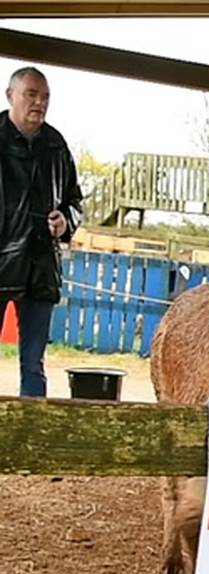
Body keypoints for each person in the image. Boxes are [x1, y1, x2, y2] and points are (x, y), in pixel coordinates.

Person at [0, 66, 82, 397]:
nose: (39, 103)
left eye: (45, 97)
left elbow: (75, 201)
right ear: (10, 96)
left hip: (41, 269)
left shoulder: (56, 145)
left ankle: (32, 441)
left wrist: (66, 221)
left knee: (34, 364)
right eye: (31, 95)